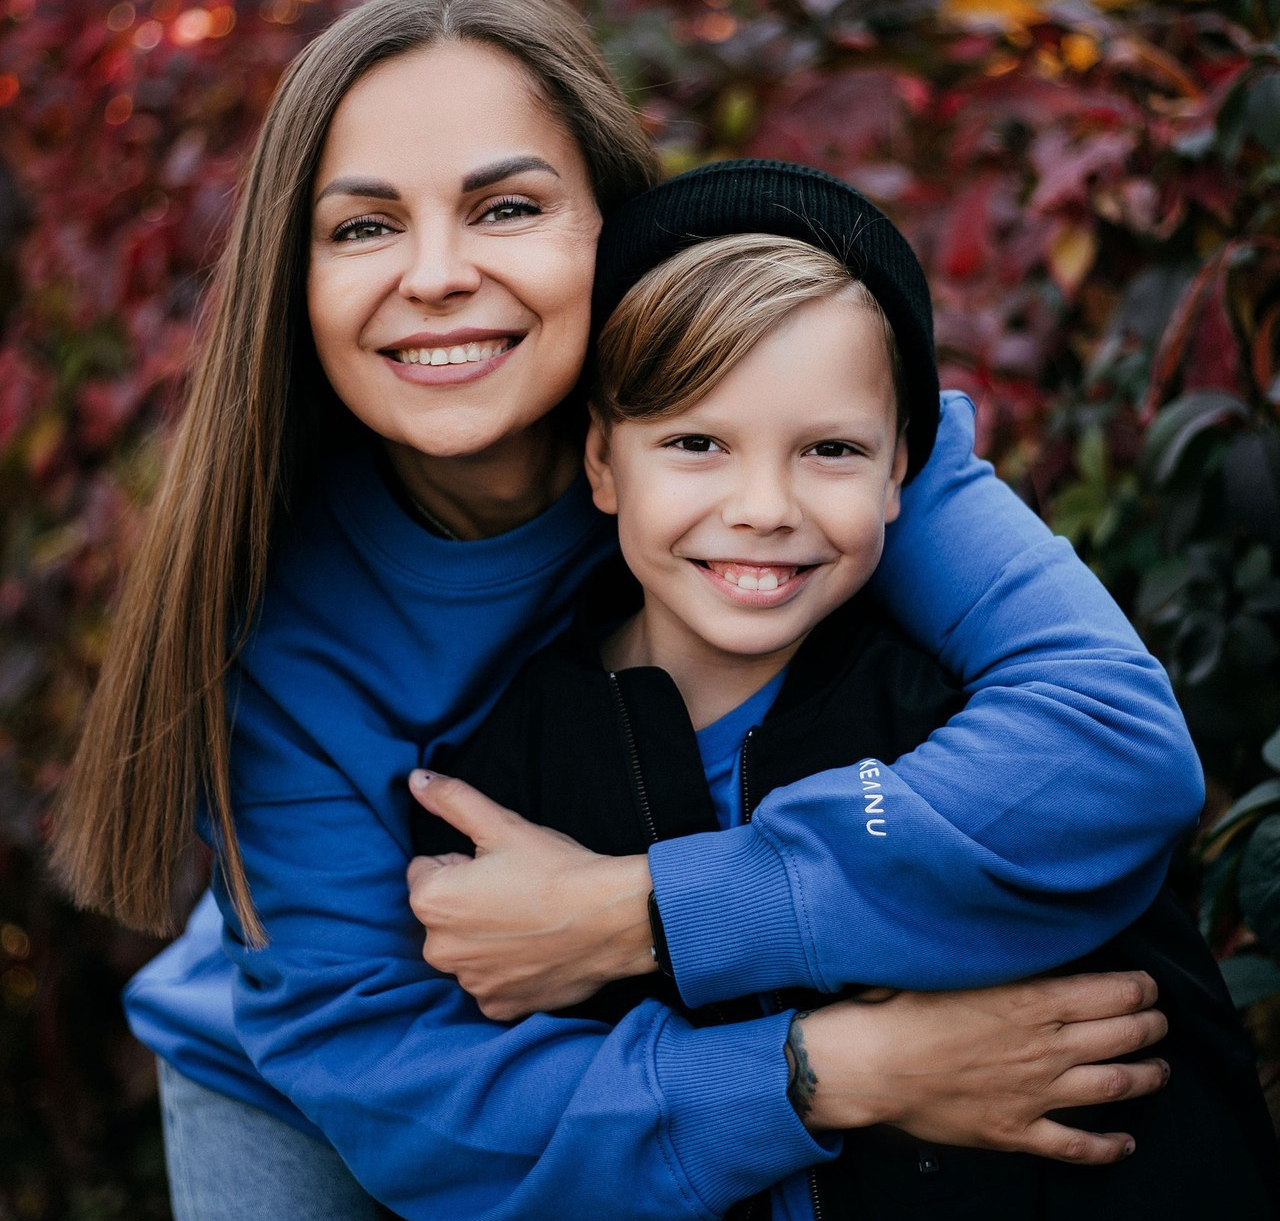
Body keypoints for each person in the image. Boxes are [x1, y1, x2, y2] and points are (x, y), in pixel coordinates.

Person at [51, 0, 1194, 1221]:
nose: (435, 274)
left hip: (655, 1016)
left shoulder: (773, 441)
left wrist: (637, 913)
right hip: (326, 1070)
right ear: (294, 276)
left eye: (506, 205)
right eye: (363, 226)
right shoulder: (274, 622)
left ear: (610, 222)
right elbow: (402, 1089)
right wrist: (825, 1072)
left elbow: (1109, 744)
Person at [410, 161, 1279, 1219]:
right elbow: (490, 1129)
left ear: (898, 471)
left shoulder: (950, 718)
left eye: (829, 449)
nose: (764, 505)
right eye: (695, 443)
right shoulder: (511, 777)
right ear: (601, 460)